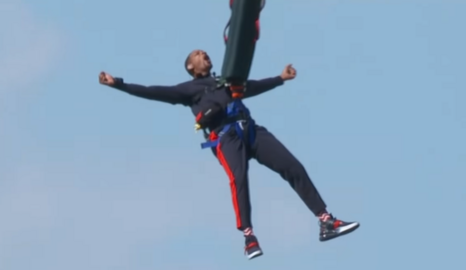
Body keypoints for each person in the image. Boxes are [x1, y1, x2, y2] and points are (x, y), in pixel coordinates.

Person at [98, 49, 360, 260]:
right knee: (239, 179)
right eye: (198, 54)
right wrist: (117, 84)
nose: (205, 55)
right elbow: (152, 91)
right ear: (191, 67)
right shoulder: (187, 90)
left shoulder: (226, 81)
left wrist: (280, 78)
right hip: (225, 138)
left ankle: (326, 222)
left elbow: (252, 87)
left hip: (251, 129)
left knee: (293, 166)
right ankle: (249, 237)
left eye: (205, 52)